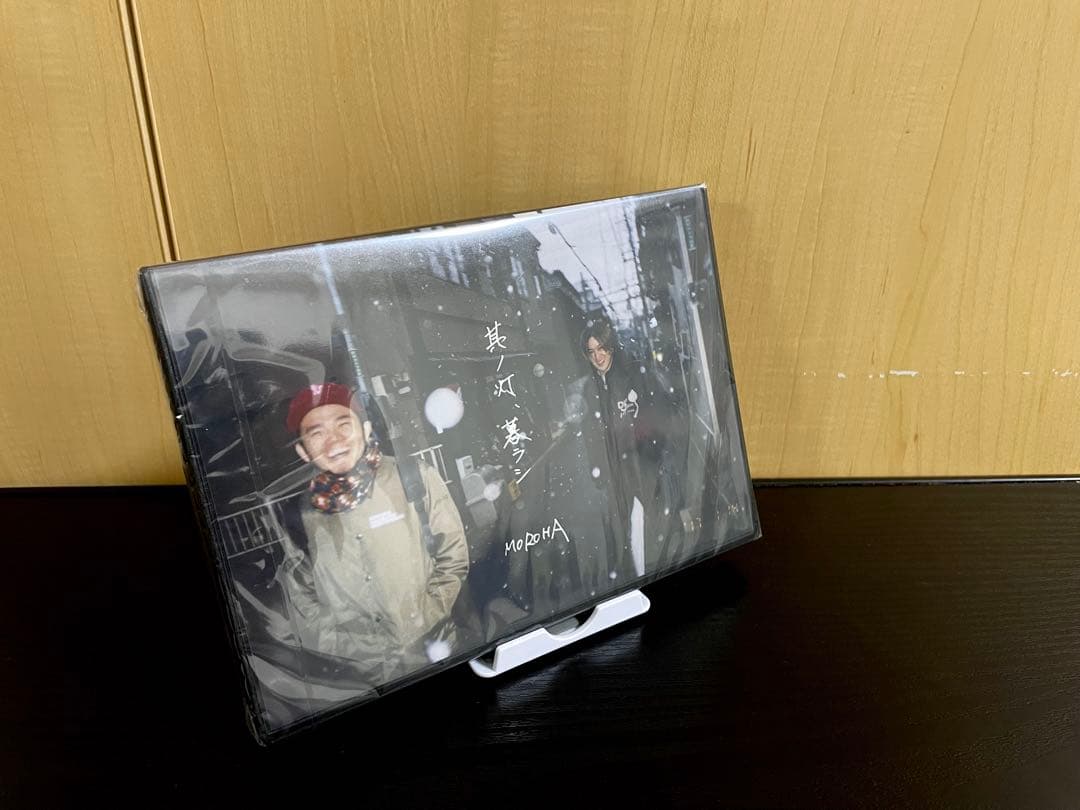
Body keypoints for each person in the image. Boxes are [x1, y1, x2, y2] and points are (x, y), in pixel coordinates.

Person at [276, 382, 469, 686]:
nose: (334, 441)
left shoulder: (412, 476)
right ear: (303, 451)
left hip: (436, 650)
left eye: (344, 425)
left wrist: (428, 614)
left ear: (366, 430)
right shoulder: (298, 515)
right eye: (317, 434)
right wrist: (353, 650)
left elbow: (453, 553)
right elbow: (302, 600)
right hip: (363, 678)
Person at [566, 319, 685, 584]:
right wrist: (596, 468)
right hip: (614, 471)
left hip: (641, 466)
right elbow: (590, 434)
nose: (597, 357)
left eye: (601, 349)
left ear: (611, 347)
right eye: (591, 351)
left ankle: (655, 571)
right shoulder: (591, 388)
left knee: (648, 522)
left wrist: (653, 453)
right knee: (624, 528)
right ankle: (638, 574)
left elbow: (657, 414)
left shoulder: (632, 376)